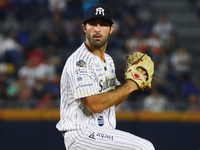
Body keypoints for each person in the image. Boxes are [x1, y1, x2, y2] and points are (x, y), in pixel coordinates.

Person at [56, 6, 155, 150]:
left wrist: (132, 83)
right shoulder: (79, 61)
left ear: (111, 29)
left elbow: (111, 99)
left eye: (103, 24)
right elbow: (94, 105)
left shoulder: (108, 60)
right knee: (144, 147)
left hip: (102, 134)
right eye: (93, 24)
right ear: (84, 28)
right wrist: (131, 85)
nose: (97, 29)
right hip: (82, 134)